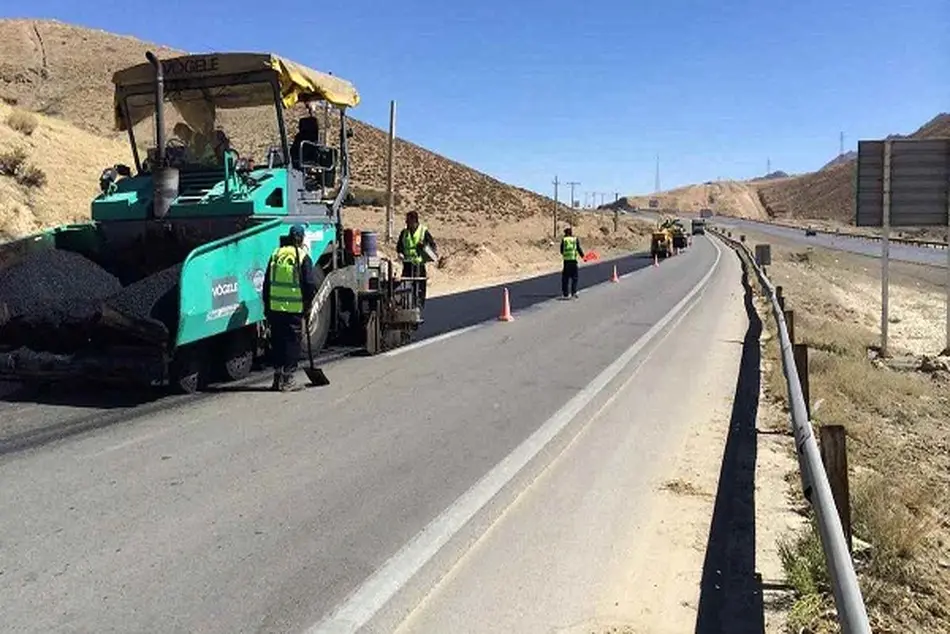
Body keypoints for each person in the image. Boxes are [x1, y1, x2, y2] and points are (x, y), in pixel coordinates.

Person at [262, 224, 317, 391]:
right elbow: (308, 284)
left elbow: (266, 283)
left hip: (275, 308)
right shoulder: (302, 257)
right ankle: (288, 380)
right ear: (301, 239)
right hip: (294, 308)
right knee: (292, 343)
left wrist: (267, 306)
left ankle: (277, 378)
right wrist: (308, 305)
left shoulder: (276, 254)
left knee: (278, 341)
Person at [396, 211, 437, 308]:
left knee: (419, 288)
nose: (406, 223)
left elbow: (433, 247)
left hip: (419, 266)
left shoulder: (423, 231)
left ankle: (418, 305)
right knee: (405, 287)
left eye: (408, 220)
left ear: (414, 221)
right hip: (407, 265)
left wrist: (424, 246)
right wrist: (400, 253)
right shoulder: (404, 233)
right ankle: (406, 305)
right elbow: (399, 247)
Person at [560, 226, 585, 299]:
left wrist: (566, 254)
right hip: (573, 261)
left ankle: (565, 294)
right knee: (575, 278)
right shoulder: (575, 239)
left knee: (565, 278)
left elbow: (561, 251)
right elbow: (578, 249)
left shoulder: (564, 240)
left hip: (566, 262)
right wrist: (583, 257)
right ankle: (574, 292)